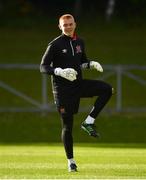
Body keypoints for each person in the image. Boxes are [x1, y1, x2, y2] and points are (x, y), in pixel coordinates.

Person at [40, 14, 113, 172]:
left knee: (107, 89)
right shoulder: (54, 44)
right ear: (60, 27)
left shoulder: (80, 42)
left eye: (70, 24)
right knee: (67, 126)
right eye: (64, 25)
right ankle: (71, 161)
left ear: (75, 24)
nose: (68, 26)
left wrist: (91, 64)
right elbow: (43, 67)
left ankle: (89, 122)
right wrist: (59, 71)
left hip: (78, 85)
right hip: (63, 91)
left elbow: (82, 62)